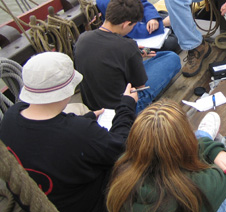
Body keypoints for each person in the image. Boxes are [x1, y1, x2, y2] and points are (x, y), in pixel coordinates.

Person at [0, 52, 138, 212]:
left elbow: (49, 137)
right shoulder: (79, 133)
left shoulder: (12, 115)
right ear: (67, 90)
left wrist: (88, 118)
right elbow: (122, 146)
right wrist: (126, 105)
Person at [106, 99, 226, 212]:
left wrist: (211, 150)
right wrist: (214, 151)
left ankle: (203, 135)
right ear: (186, 141)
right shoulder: (203, 185)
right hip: (198, 198)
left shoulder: (122, 169)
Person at [74, 0, 181, 113]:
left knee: (162, 56)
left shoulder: (82, 39)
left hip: (93, 106)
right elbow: (140, 87)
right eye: (133, 26)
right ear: (125, 24)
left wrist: (133, 55)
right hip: (123, 109)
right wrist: (133, 55)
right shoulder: (127, 46)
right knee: (172, 58)